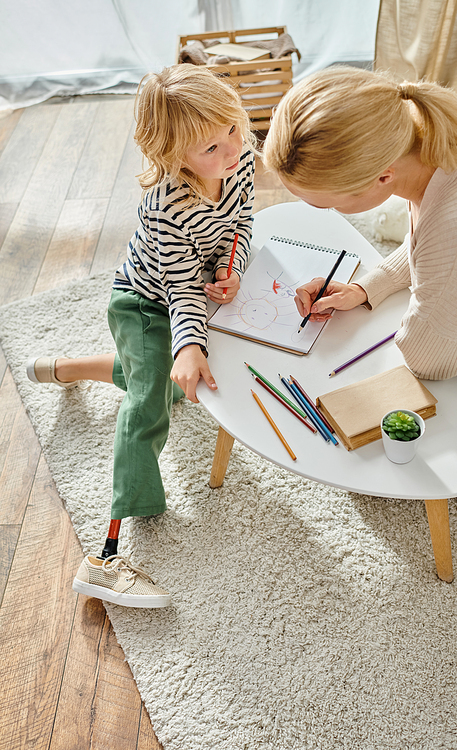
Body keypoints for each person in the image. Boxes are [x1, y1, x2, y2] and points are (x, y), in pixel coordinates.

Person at [27, 64, 257, 608]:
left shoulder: (240, 156)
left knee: (175, 384)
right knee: (149, 401)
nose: (231, 150)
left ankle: (71, 367)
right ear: (173, 156)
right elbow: (179, 291)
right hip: (145, 304)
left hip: (196, 291)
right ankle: (107, 553)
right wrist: (192, 343)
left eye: (233, 128)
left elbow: (242, 220)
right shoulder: (164, 208)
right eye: (211, 146)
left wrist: (234, 267)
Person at [263, 65, 457, 425]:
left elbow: (427, 359)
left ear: (382, 177)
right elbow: (429, 247)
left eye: (326, 205)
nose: (325, 214)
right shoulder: (437, 151)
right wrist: (366, 286)